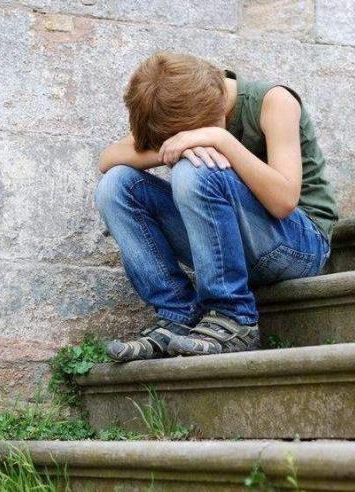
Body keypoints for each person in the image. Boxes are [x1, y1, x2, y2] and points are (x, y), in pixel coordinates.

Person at [95, 52, 339, 361]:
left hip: (299, 246)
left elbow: (284, 201)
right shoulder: (179, 101)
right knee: (116, 185)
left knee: (194, 171)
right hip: (228, 247)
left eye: (188, 134)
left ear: (217, 109)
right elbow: (108, 159)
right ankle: (178, 313)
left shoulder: (275, 102)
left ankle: (233, 316)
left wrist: (220, 140)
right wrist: (180, 146)